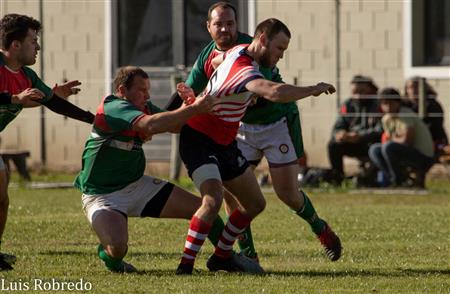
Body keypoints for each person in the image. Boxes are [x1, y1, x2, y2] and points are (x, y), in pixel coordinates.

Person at [168, 1, 342, 265]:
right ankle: (243, 255)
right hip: (236, 129)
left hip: (275, 123)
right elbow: (261, 87)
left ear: (240, 27)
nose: (225, 29)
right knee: (230, 195)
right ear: (208, 27)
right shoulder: (218, 56)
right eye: (219, 24)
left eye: (230, 23)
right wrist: (168, 115)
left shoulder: (251, 50)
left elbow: (272, 92)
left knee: (287, 193)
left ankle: (319, 227)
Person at [74, 66, 241, 273]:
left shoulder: (144, 107)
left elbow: (176, 124)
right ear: (122, 90)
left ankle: (226, 258)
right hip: (102, 195)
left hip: (136, 185)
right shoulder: (113, 107)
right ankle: (112, 260)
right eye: (142, 90)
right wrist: (194, 108)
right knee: (117, 248)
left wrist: (192, 104)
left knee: (205, 209)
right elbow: (150, 125)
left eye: (148, 89)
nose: (148, 95)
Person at [0, 14, 95, 271]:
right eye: (34, 41)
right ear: (16, 45)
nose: (38, 47)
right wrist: (13, 99)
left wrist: (95, 120)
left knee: (1, 197)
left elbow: (53, 102)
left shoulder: (27, 76)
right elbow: (11, 98)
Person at [368, 88, 435, 188]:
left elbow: (407, 141)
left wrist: (393, 140)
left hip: (423, 157)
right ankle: (396, 179)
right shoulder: (386, 119)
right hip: (403, 153)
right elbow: (389, 139)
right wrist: (394, 139)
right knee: (374, 150)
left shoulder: (405, 114)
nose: (388, 107)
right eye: (385, 104)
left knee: (388, 147)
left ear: (398, 103)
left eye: (391, 103)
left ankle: (398, 181)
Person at [327, 75, 383, 185]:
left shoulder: (379, 104)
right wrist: (340, 134)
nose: (358, 95)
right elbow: (338, 126)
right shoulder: (348, 105)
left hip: (371, 143)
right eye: (355, 92)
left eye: (362, 91)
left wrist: (359, 136)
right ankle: (338, 179)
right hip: (352, 142)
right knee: (333, 144)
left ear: (371, 90)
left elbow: (380, 129)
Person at [403, 76, 448, 156]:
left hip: (433, 140)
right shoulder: (404, 107)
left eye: (416, 87)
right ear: (406, 90)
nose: (413, 90)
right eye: (410, 87)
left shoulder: (432, 105)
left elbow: (435, 127)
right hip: (409, 140)